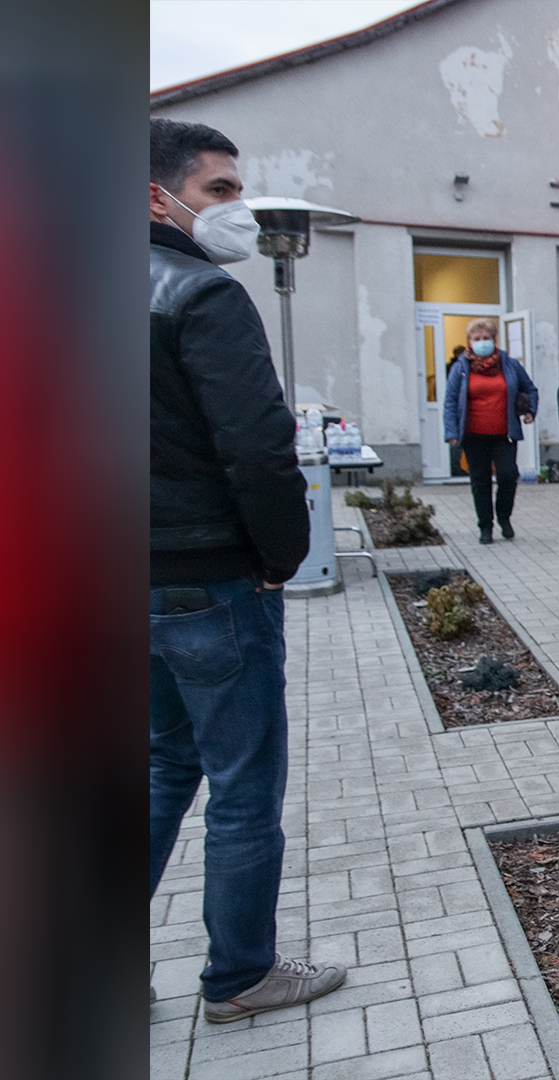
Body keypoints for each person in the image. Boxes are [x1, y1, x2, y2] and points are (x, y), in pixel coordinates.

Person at [149, 117, 348, 1020]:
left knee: (158, 769)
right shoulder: (202, 296)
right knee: (242, 782)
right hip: (212, 579)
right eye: (220, 191)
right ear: (159, 197)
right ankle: (240, 975)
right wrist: (280, 558)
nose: (238, 209)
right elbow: (260, 448)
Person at [443, 318, 537, 544]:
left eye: (486, 338)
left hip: (504, 433)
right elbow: (450, 401)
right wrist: (451, 432)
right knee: (480, 481)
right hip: (473, 435)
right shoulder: (460, 368)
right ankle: (485, 526)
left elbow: (529, 388)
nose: (481, 342)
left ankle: (504, 517)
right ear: (469, 342)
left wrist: (530, 410)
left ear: (494, 340)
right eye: (477, 339)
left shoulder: (509, 364)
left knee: (508, 475)